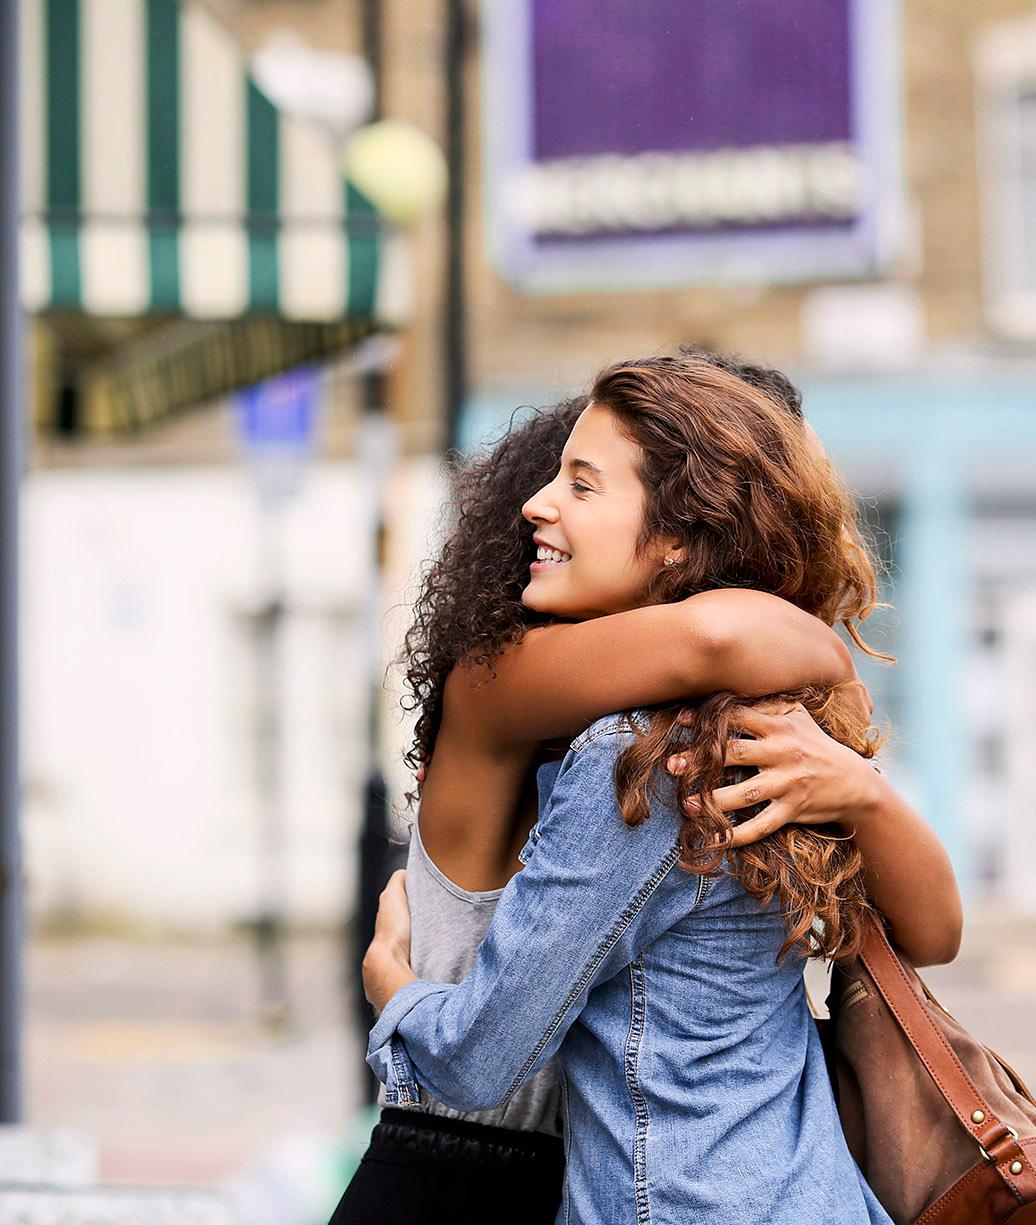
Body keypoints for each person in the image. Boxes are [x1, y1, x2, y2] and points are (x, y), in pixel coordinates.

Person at [355, 354, 959, 1222]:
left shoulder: (667, 755)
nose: (541, 505)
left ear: (681, 534)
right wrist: (831, 668)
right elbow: (715, 633)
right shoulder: (520, 688)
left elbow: (931, 932)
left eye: (583, 484)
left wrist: (395, 999)